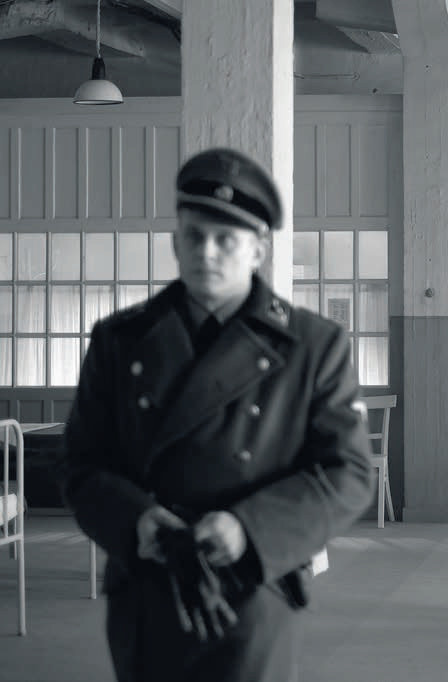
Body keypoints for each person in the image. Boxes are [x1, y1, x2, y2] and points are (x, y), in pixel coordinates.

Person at [61, 148, 374, 682]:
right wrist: (135, 519)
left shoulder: (312, 345)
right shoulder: (120, 339)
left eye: (226, 239)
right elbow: (80, 463)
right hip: (148, 583)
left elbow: (349, 473)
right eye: (194, 235)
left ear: (258, 250)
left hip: (253, 585)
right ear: (175, 242)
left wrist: (248, 528)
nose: (207, 251)